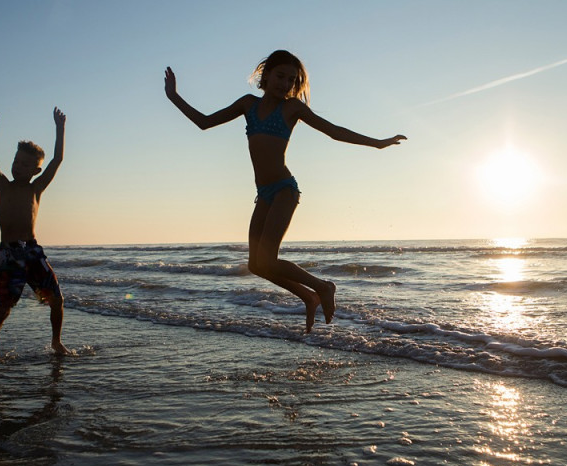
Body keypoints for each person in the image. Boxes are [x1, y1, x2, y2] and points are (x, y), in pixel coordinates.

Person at [165, 50, 406, 333]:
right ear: (265, 75)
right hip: (264, 193)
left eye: (291, 80)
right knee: (256, 265)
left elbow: (334, 131)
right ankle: (308, 295)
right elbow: (204, 122)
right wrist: (173, 96)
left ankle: (323, 287)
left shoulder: (293, 109)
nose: (285, 84)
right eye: (280, 76)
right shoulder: (248, 104)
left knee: (268, 260)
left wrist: (378, 143)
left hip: (284, 191)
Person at [0, 108, 71, 360]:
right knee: (3, 308)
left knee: (57, 299)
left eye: (25, 165)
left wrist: (60, 128)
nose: (18, 167)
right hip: (9, 253)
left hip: (32, 250)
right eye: (16, 162)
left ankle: (56, 342)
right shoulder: (1, 184)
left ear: (35, 171)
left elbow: (57, 160)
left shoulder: (36, 188)